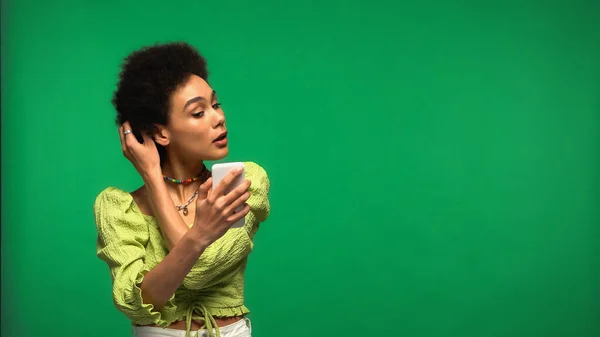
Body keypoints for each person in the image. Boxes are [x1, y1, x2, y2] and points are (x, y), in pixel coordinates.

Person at [93, 42, 270, 337]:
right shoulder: (117, 207)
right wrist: (154, 180)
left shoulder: (242, 183)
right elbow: (137, 304)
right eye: (198, 112)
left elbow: (203, 271)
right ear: (161, 133)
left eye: (215, 104)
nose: (218, 117)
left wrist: (156, 186)